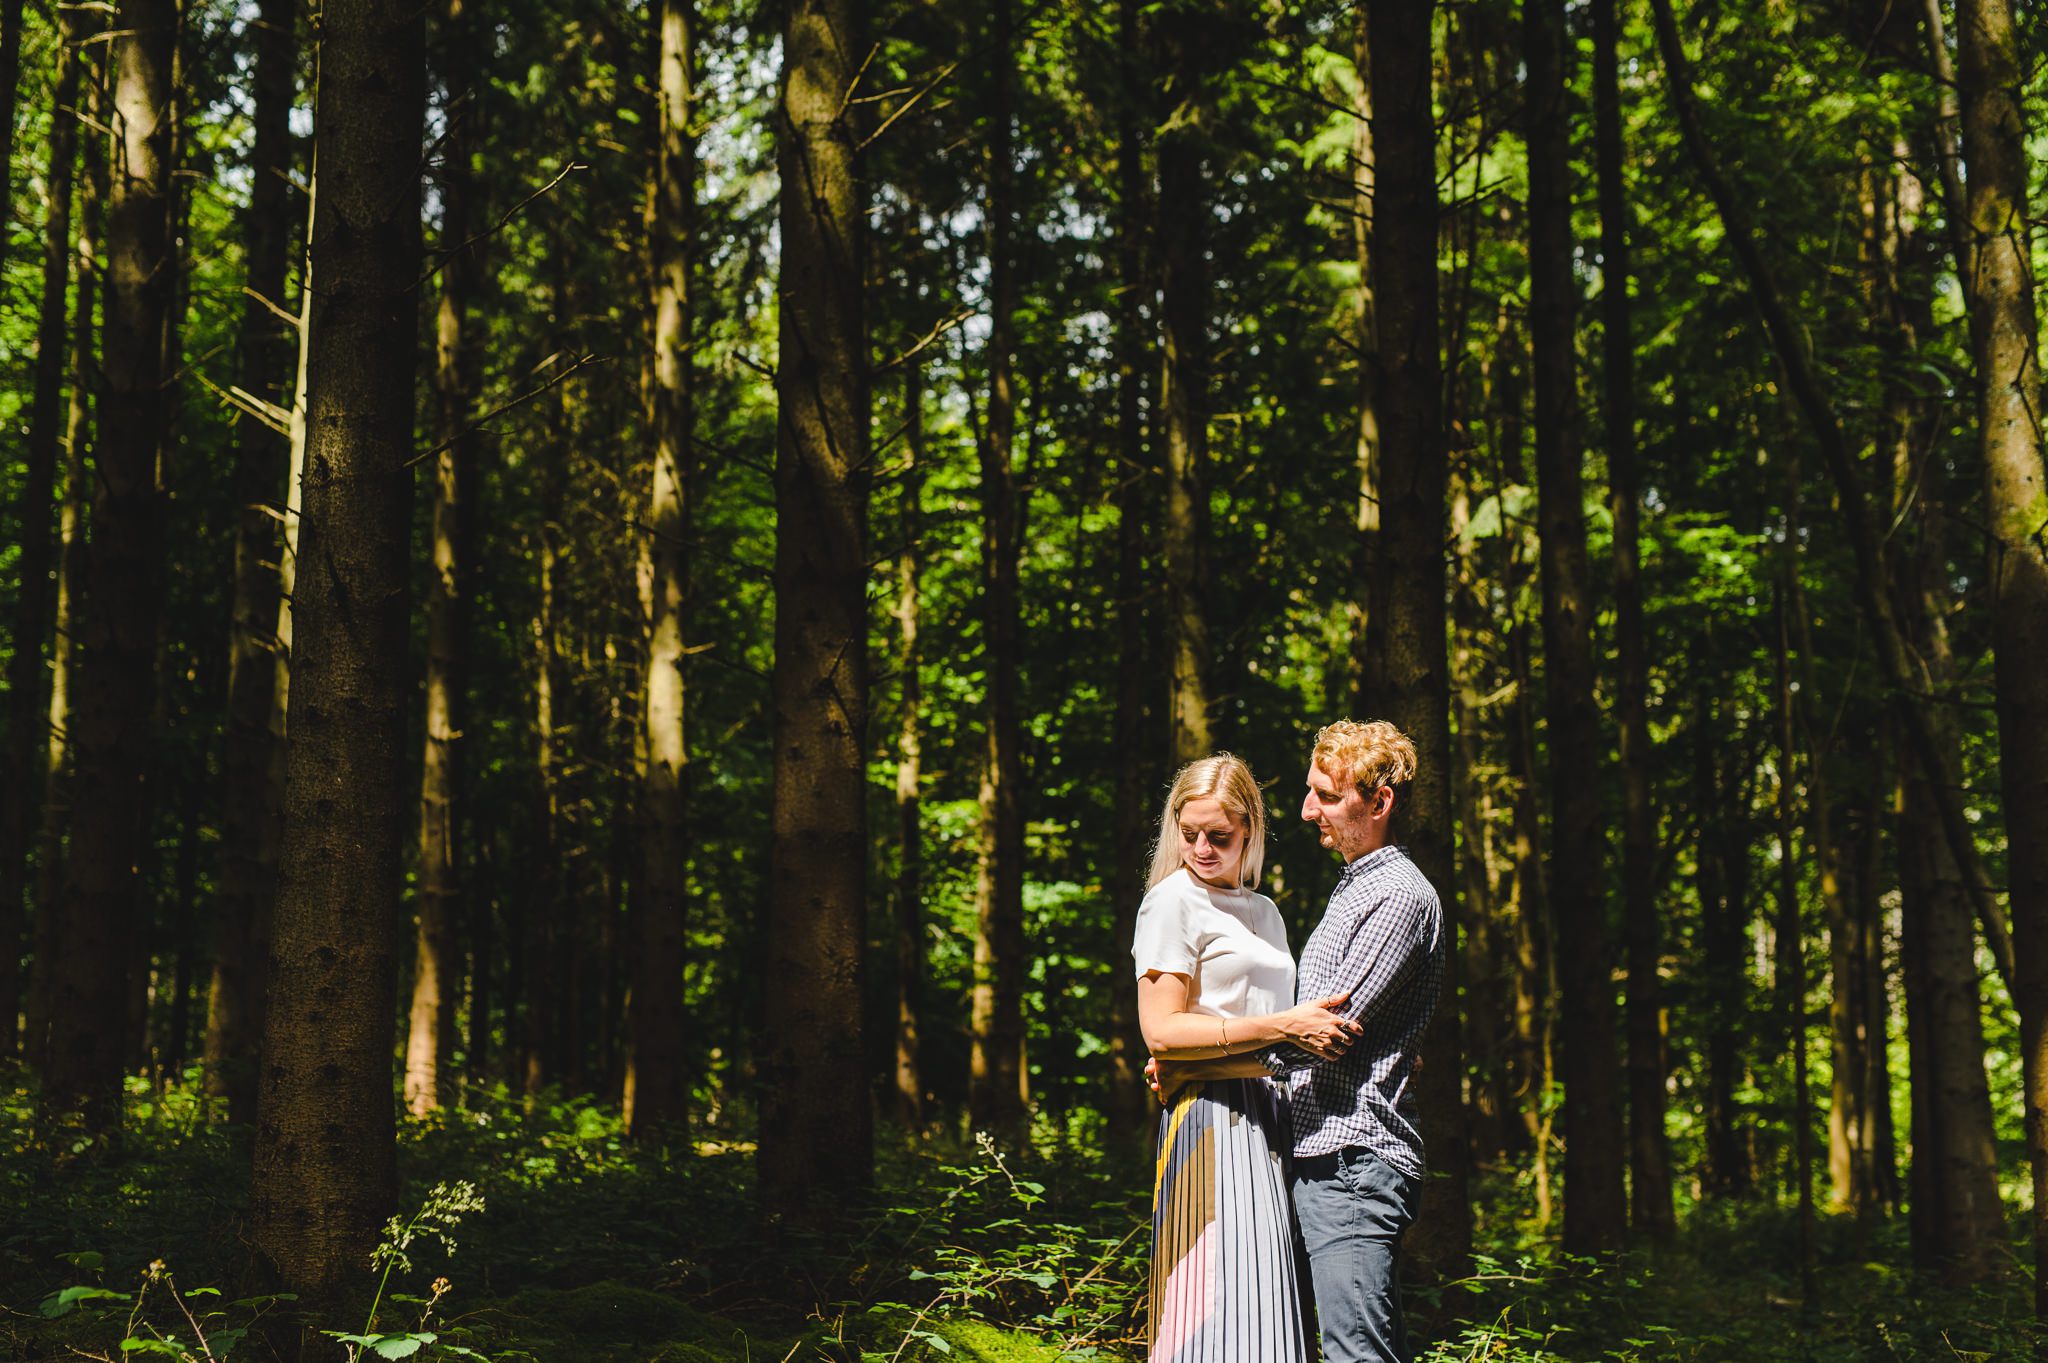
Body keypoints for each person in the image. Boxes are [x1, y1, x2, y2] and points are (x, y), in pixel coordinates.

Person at [1152, 721, 1444, 1363]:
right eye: (1311, 792)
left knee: (1355, 1353)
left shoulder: (1395, 896)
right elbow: (1300, 1025)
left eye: (1327, 796)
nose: (1308, 809)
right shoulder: (1353, 888)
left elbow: (1323, 1034)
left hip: (1353, 1160)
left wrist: (1192, 1060)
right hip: (1308, 1152)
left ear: (1380, 802)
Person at [1131, 752, 1360, 1363]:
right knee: (1212, 1308)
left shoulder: (1265, 913)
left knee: (1265, 1304)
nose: (1202, 848)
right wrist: (1279, 1027)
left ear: (1252, 831)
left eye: (1220, 836)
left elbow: (1295, 1033)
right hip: (1209, 1121)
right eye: (1189, 834)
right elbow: (1161, 1031)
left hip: (1274, 1117)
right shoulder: (1170, 901)